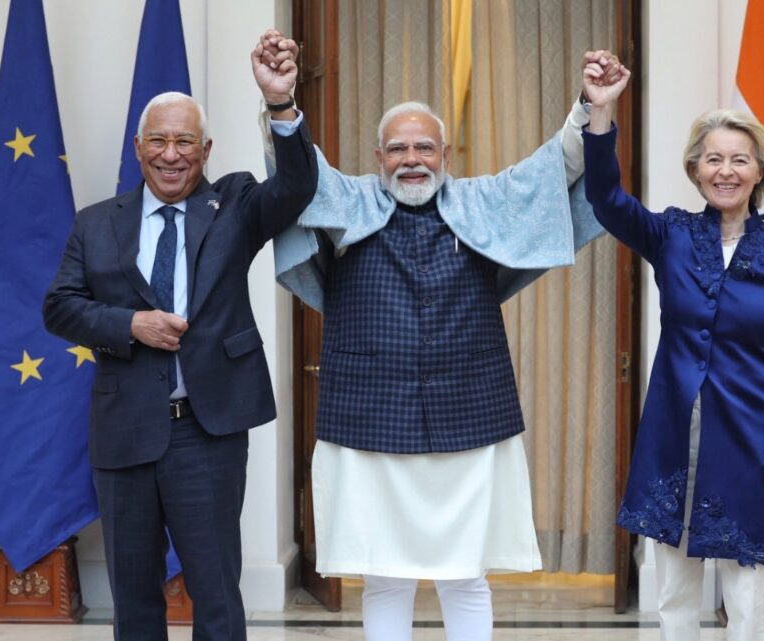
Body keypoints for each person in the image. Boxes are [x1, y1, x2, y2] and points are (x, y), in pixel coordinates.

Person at [259, 30, 619, 641]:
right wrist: (280, 103)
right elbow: (296, 174)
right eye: (398, 149)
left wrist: (592, 106)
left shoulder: (484, 201)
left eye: (424, 147)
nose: (412, 159)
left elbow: (554, 167)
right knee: (384, 576)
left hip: (470, 417)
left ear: (446, 154)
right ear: (378, 157)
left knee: (466, 576)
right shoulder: (347, 199)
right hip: (368, 419)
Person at [42, 32, 317, 641]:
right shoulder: (96, 224)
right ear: (138, 148)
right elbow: (59, 308)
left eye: (185, 141)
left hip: (207, 430)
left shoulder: (235, 203)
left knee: (215, 592)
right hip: (125, 430)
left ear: (206, 149)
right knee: (134, 597)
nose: (171, 154)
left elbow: (297, 188)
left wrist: (279, 103)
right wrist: (129, 324)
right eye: (159, 141)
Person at [581, 60, 764, 640]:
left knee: (747, 596)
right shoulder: (671, 234)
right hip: (672, 434)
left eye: (739, 160)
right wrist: (601, 111)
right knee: (675, 595)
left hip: (751, 437)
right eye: (713, 159)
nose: (726, 171)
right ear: (694, 170)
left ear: (760, 171)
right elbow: (605, 198)